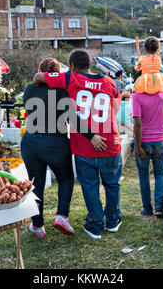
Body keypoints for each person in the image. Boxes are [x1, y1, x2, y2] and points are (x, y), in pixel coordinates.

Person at [33, 50, 123, 240]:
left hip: (84, 146)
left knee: (90, 186)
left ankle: (95, 225)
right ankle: (113, 221)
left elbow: (38, 76)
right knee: (112, 185)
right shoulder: (110, 82)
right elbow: (114, 109)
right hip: (109, 141)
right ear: (90, 64)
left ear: (72, 66)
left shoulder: (70, 78)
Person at [21, 57, 106, 239]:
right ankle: (61, 216)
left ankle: (37, 225)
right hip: (55, 142)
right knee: (66, 178)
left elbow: (28, 110)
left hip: (30, 141)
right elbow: (73, 119)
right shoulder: (61, 90)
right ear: (57, 72)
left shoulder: (29, 88)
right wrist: (92, 136)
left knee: (36, 183)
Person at [132, 77, 163, 218]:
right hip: (160, 141)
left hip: (143, 142)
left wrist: (138, 147)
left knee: (144, 175)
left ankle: (147, 209)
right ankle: (159, 208)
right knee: (160, 174)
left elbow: (138, 124)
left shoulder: (136, 96)